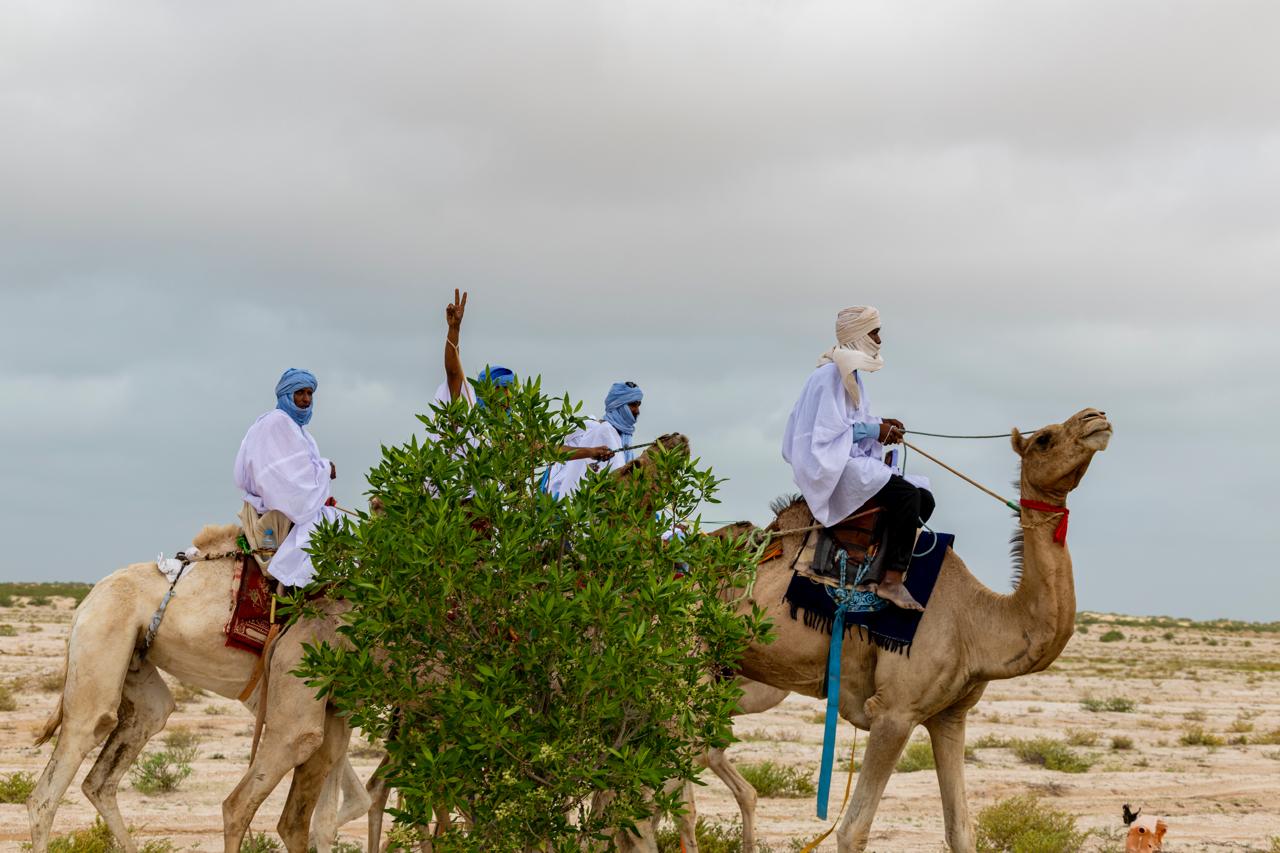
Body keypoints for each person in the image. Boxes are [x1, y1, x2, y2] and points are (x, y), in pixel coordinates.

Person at [781, 306, 934, 611]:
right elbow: (826, 431)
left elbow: (851, 421)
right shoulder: (828, 376)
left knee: (923, 498)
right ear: (859, 336)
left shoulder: (849, 377)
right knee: (905, 498)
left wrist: (881, 425)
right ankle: (891, 581)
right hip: (830, 464)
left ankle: (872, 560)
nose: (879, 339)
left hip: (846, 458)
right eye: (874, 332)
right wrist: (875, 430)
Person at [233, 368, 339, 589]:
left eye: (310, 394)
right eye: (300, 393)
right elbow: (290, 481)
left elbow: (300, 474)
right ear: (286, 394)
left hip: (287, 507)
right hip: (277, 512)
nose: (306, 399)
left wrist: (322, 469)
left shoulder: (298, 430)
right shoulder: (278, 423)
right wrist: (326, 468)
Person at [544, 381, 644, 499]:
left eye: (638, 405)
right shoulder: (603, 430)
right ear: (618, 405)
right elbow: (549, 450)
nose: (637, 411)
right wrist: (591, 452)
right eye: (633, 405)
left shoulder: (622, 437)